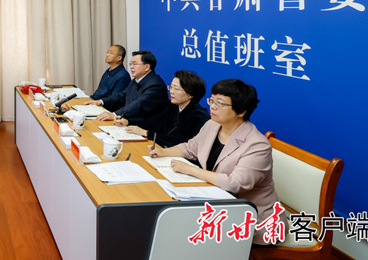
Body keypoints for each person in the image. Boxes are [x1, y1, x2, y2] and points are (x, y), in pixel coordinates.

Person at [149, 79, 284, 244]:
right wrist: (163, 152)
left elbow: (236, 183)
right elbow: (191, 148)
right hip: (218, 205)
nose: (212, 107)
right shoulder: (212, 125)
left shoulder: (257, 145)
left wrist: (190, 170)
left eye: (220, 103)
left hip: (253, 219)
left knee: (181, 231)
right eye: (211, 101)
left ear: (241, 111)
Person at [117, 69, 209, 146]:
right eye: (171, 87)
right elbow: (154, 123)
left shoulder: (198, 116)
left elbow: (179, 141)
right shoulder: (173, 107)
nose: (171, 91)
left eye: (176, 89)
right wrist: (128, 121)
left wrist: (146, 133)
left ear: (190, 94)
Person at [90, 50, 167, 124]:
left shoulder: (156, 85)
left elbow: (139, 105)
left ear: (147, 67)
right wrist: (101, 101)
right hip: (129, 122)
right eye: (131, 64)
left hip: (145, 127)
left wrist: (114, 114)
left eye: (135, 64)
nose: (131, 67)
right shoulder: (136, 80)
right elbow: (122, 95)